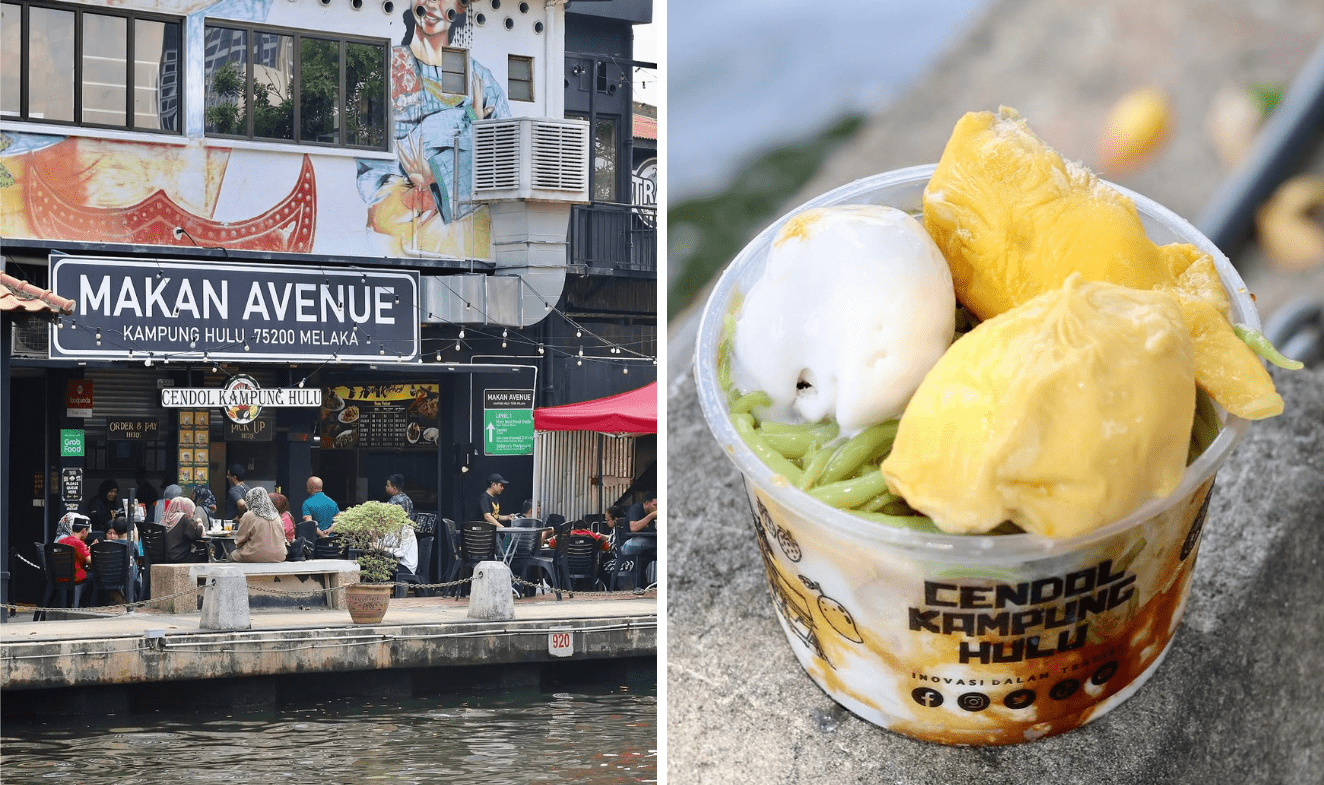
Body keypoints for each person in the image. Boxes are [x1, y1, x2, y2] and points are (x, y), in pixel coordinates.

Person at [231, 487, 288, 563]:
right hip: (280, 556)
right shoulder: (277, 516)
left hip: (254, 555)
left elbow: (239, 541)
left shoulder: (249, 515)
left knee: (231, 555)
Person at [160, 496, 207, 564]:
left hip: (165, 557)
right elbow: (196, 534)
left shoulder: (164, 519)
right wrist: (199, 523)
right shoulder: (184, 518)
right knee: (203, 554)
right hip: (180, 557)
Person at [56, 515, 94, 585]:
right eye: (88, 531)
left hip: (59, 578)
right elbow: (90, 561)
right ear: (84, 531)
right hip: (75, 577)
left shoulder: (61, 541)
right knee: (96, 578)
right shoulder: (79, 543)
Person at [621, 492, 659, 557]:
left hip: (647, 542)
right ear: (647, 503)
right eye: (655, 505)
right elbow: (633, 528)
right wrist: (651, 516)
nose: (657, 508)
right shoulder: (636, 508)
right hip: (628, 543)